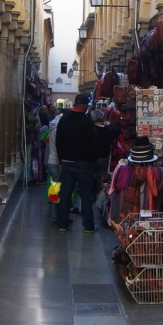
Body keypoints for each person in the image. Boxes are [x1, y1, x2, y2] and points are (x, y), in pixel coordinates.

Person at [55, 92, 98, 232]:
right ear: (85, 106)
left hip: (67, 162)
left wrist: (61, 160)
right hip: (84, 164)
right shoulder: (87, 123)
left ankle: (62, 223)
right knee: (86, 195)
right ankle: (88, 226)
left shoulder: (64, 120)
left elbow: (58, 141)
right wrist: (93, 160)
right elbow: (93, 144)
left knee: (65, 194)